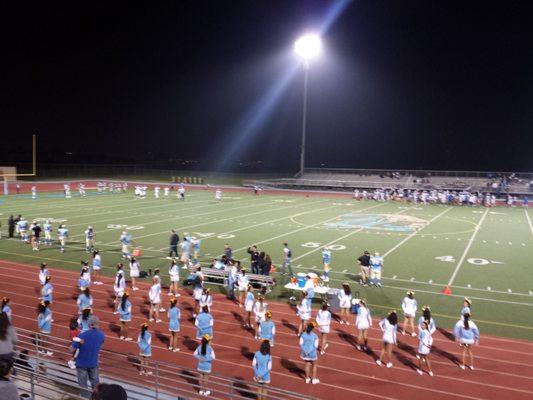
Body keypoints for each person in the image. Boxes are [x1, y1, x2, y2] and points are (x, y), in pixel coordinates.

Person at [74, 315, 105, 395]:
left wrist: (76, 340)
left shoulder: (82, 335)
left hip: (81, 363)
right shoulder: (101, 335)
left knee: (83, 386)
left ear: (89, 324)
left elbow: (72, 349)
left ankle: (85, 398)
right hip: (93, 363)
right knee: (96, 385)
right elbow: (101, 344)